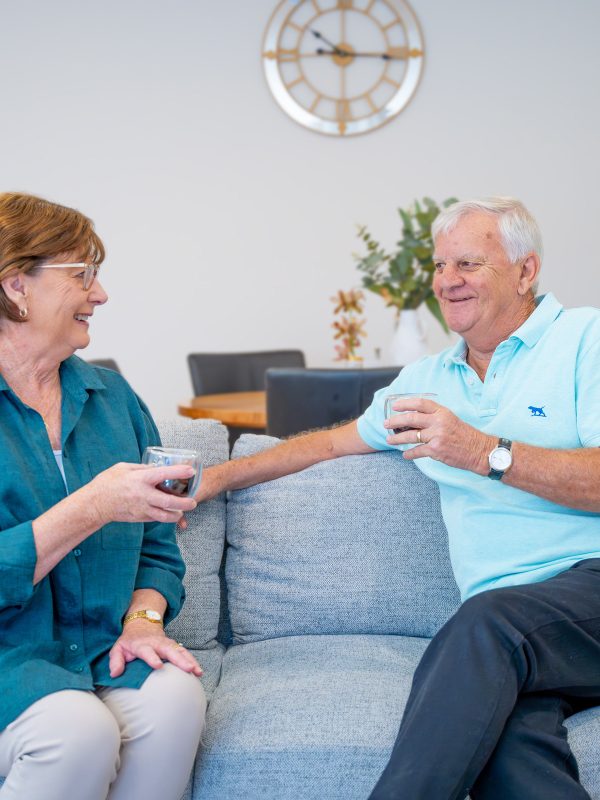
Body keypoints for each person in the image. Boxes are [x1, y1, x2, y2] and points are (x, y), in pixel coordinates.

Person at [195, 196, 600, 799]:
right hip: (519, 637)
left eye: (468, 263)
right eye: (439, 266)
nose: (447, 281)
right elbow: (329, 445)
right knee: (506, 742)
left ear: (525, 270)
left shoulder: (584, 338)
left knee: (484, 625)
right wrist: (217, 477)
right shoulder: (426, 380)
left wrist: (481, 450)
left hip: (578, 592)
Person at [0, 192, 206, 800]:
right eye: (82, 275)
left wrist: (145, 620)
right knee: (77, 729)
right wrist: (93, 505)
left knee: (174, 694)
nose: (101, 294)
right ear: (16, 286)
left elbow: (159, 549)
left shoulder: (112, 398)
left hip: (99, 651)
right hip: (12, 662)